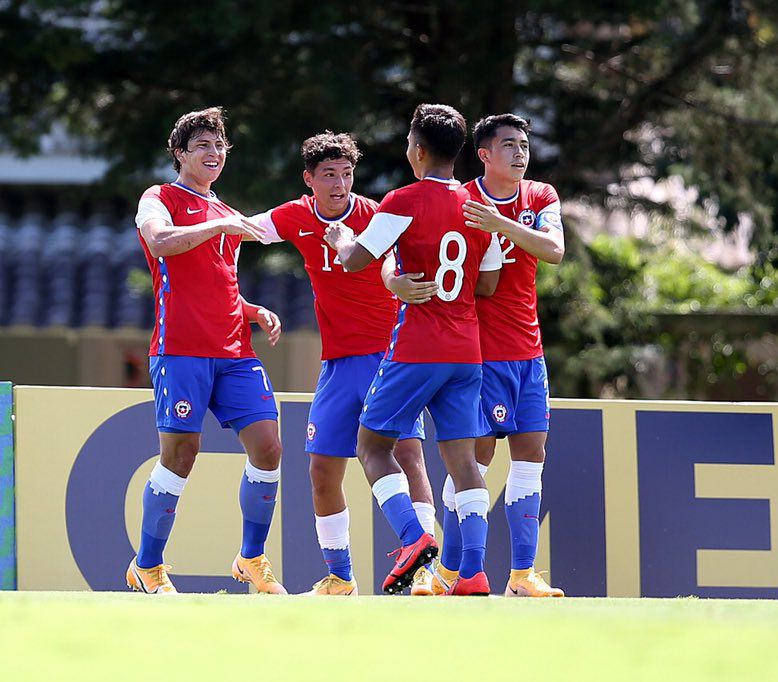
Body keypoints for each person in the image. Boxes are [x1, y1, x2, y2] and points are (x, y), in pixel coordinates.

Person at [249, 131, 438, 595]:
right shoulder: (297, 215)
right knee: (322, 470)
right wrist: (202, 224)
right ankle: (341, 577)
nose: (339, 184)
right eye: (329, 175)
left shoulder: (376, 215)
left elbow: (393, 265)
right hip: (336, 364)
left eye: (347, 174)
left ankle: (426, 573)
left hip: (388, 357)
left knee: (409, 455)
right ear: (309, 179)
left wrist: (389, 278)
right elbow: (245, 228)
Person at [326, 103, 502, 596]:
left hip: (417, 346)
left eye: (408, 141)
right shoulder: (476, 205)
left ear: (418, 150)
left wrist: (342, 238)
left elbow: (356, 260)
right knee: (463, 462)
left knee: (371, 445)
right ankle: (472, 573)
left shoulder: (402, 200)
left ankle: (412, 535)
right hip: (467, 350)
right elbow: (488, 283)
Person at [128, 107, 287, 594]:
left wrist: (252, 310)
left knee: (269, 447)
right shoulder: (161, 197)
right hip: (180, 350)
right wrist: (219, 228)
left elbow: (216, 286)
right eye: (203, 146)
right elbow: (160, 243)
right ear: (180, 154)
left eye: (220, 147)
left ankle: (251, 560)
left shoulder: (225, 212)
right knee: (180, 455)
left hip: (235, 351)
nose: (214, 154)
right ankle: (147, 566)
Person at [431, 114, 566, 597]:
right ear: (484, 154)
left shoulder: (540, 196)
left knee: (532, 456)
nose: (520, 152)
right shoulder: (461, 199)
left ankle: (523, 576)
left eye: (524, 143)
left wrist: (501, 223)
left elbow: (553, 249)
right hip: (479, 356)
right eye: (508, 144)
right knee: (477, 460)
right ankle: (448, 572)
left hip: (529, 354)